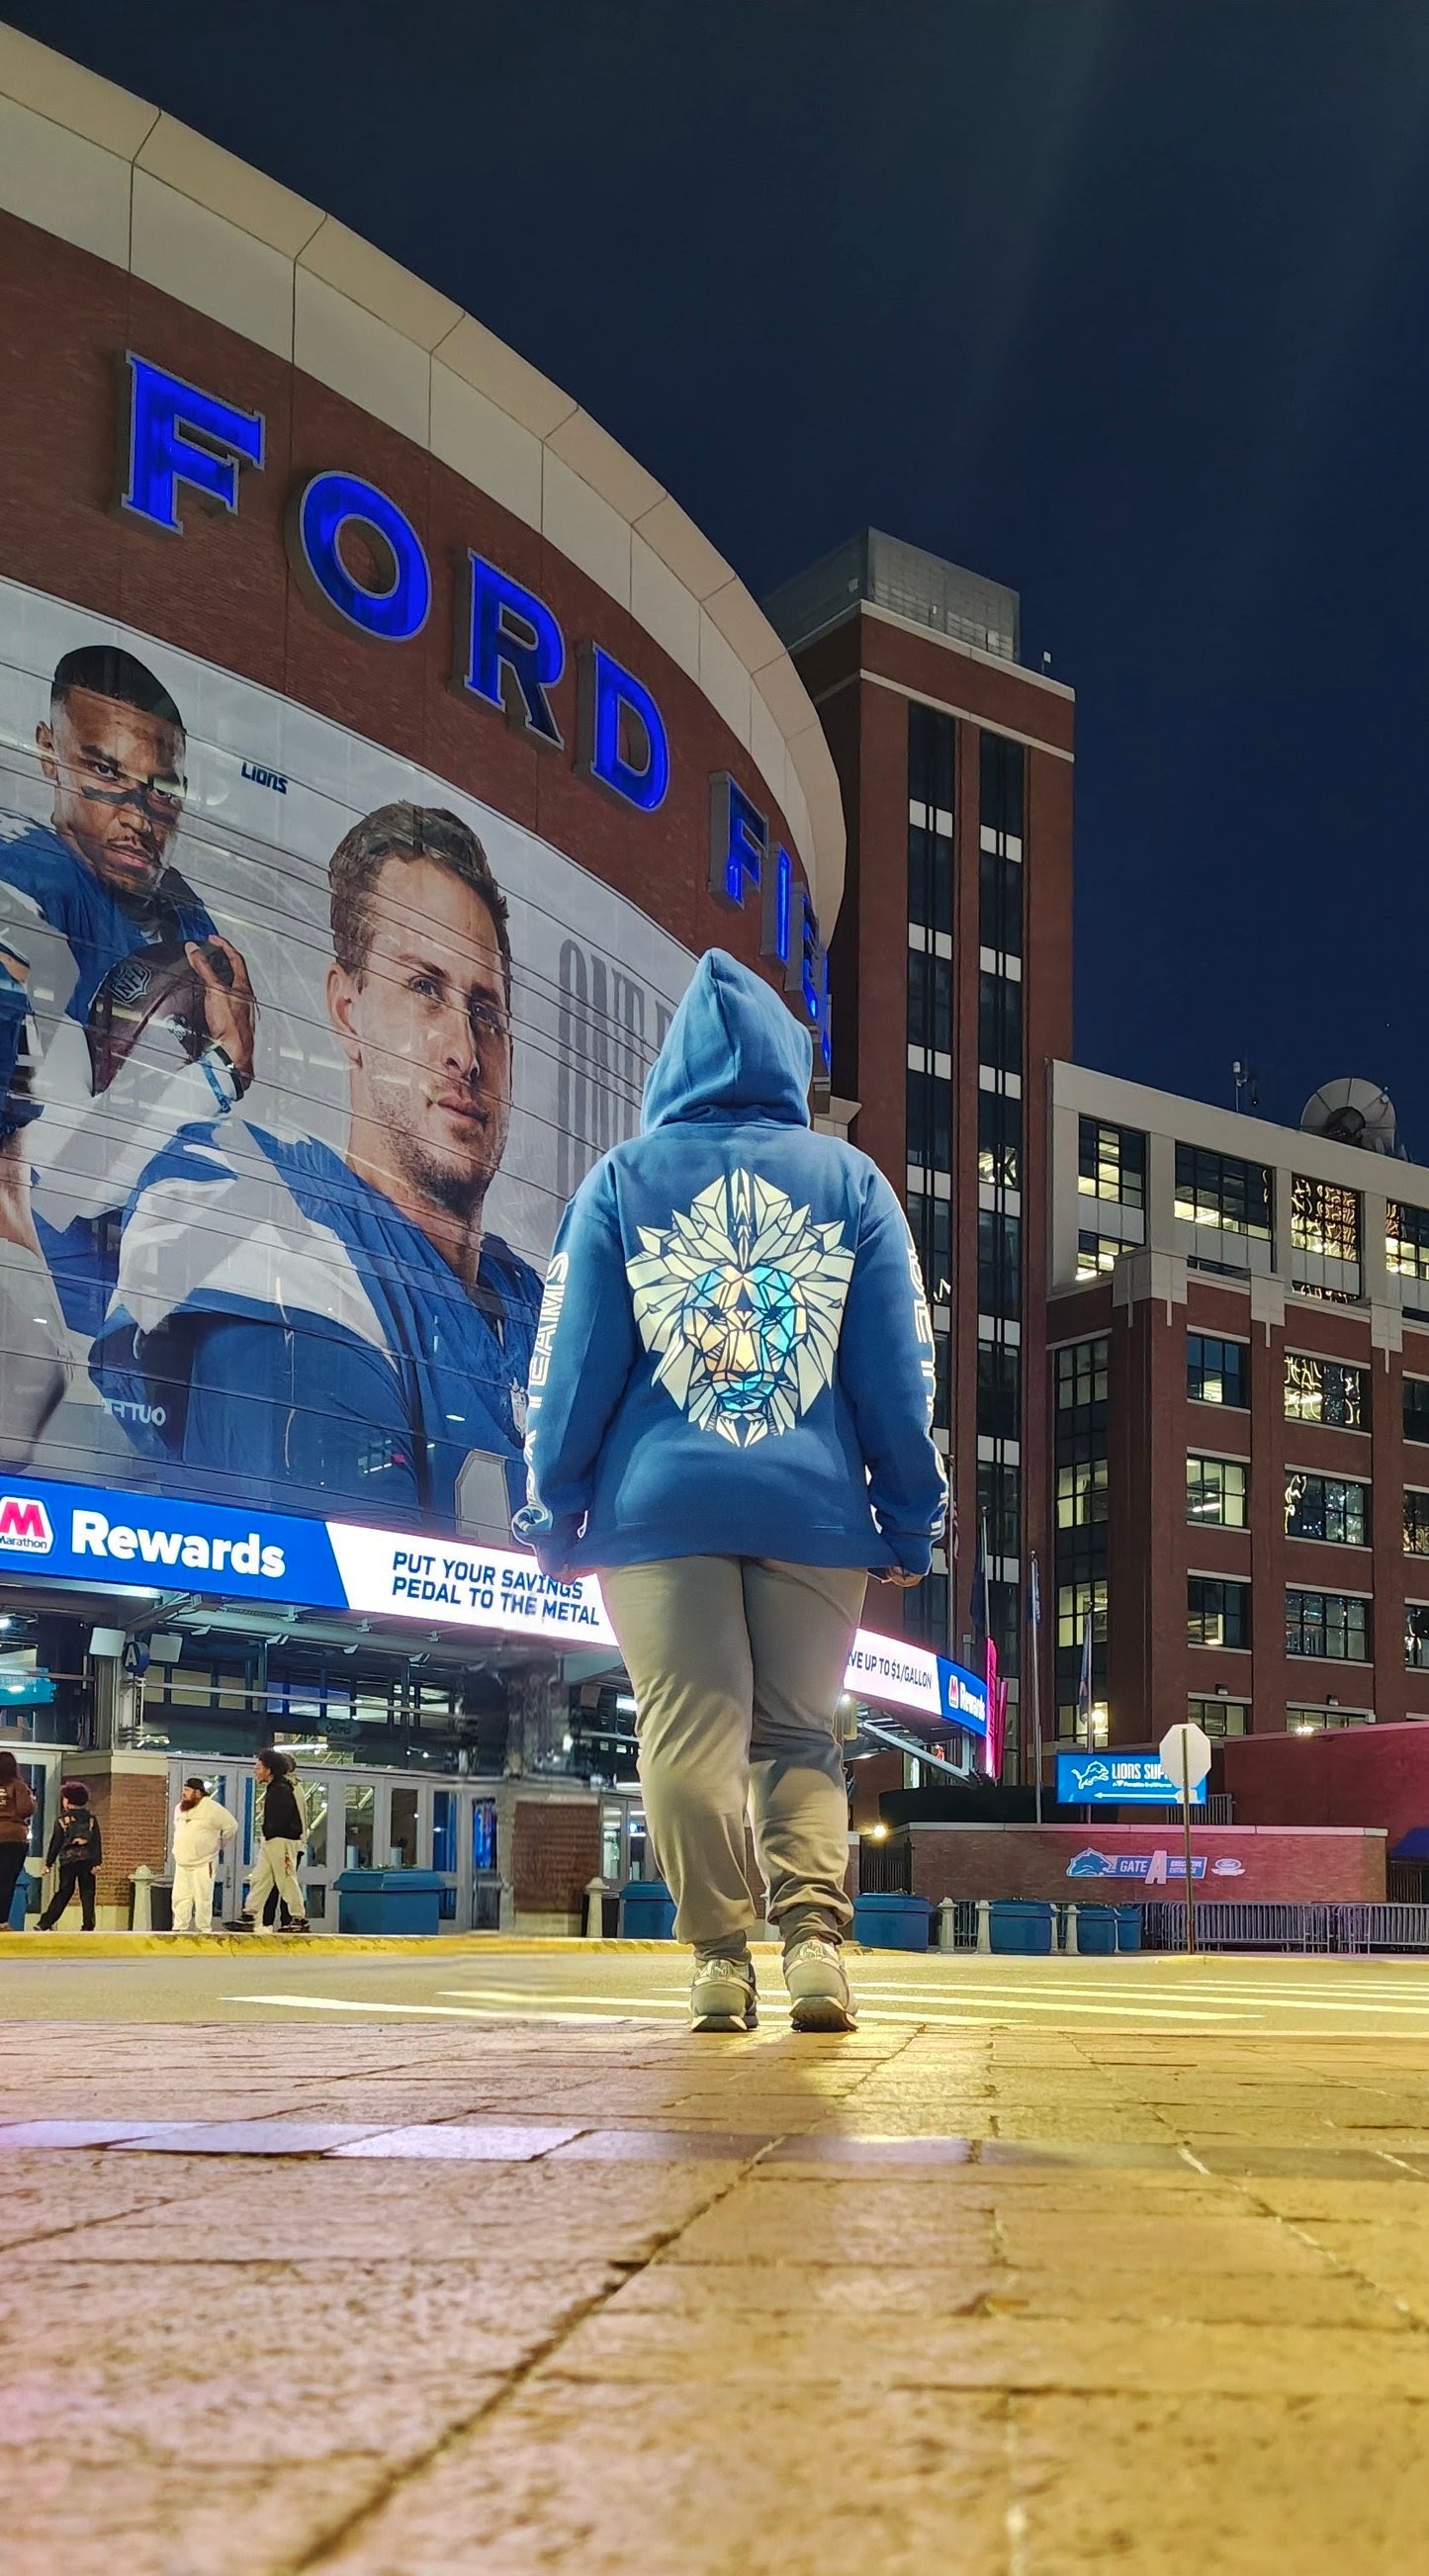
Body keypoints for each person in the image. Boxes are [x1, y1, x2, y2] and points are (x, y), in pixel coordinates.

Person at [517, 948, 948, 2035]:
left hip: (657, 1508)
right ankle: (814, 1950)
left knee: (687, 1732)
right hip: (812, 1511)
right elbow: (896, 1372)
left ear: (675, 1061)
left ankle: (717, 1963)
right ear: (788, 1065)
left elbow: (572, 1362)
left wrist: (555, 1503)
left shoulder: (621, 1178)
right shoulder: (853, 1183)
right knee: (799, 1735)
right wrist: (907, 1514)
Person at [94, 803, 542, 1537]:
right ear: (347, 1007)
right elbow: (350, 1585)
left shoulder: (530, 1303)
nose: (464, 1048)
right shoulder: (269, 1217)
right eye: (424, 988)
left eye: (485, 1009)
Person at [0, 644, 256, 1344]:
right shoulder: (29, 888)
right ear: (51, 753)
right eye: (105, 770)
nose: (140, 814)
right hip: (41, 1298)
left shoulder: (180, 916)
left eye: (161, 789)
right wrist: (217, 1074)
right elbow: (53, 1182)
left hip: (130, 1302)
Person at [234, 1749, 309, 1933]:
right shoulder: (276, 1787)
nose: (255, 1770)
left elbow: (285, 1820)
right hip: (271, 1841)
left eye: (258, 1767)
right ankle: (249, 1914)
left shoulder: (282, 1789)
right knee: (260, 1878)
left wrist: (272, 1834)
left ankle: (299, 1918)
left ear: (269, 1770)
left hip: (281, 1841)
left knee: (286, 1879)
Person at [169, 1774, 238, 1934]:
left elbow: (232, 1826)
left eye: (187, 1790)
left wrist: (221, 1843)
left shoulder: (212, 1808)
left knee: (203, 1898)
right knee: (180, 1897)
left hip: (204, 1862)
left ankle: (203, 1929)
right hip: (182, 1861)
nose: (183, 1793)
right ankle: (180, 1927)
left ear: (198, 1793)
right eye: (183, 1790)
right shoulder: (179, 1808)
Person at [39, 1780, 102, 1930]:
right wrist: (97, 1862)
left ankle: (45, 1923)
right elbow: (96, 1841)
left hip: (68, 1861)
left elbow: (56, 1842)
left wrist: (48, 1863)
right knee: (87, 1893)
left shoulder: (62, 1820)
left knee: (64, 1891)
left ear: (67, 1800)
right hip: (87, 1860)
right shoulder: (92, 1819)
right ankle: (88, 1925)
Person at [0, 1748, 36, 1929]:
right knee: (7, 1880)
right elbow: (25, 1809)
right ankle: (2, 1921)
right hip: (13, 1837)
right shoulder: (18, 1786)